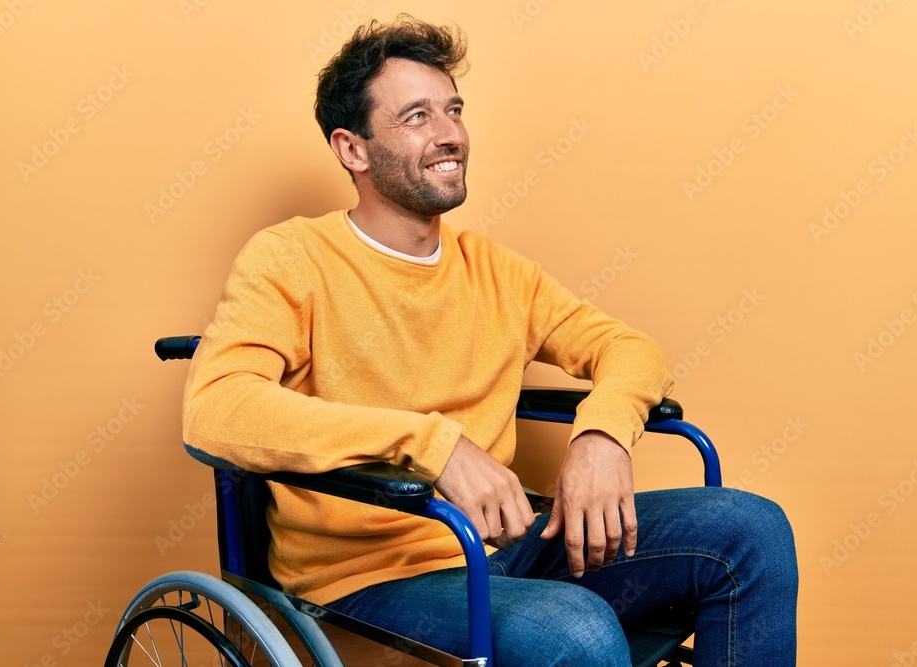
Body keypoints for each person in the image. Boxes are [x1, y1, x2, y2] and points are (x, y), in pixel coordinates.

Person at [183, 16, 798, 666]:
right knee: (576, 630)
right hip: (372, 579)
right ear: (352, 149)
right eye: (417, 116)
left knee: (752, 530)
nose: (450, 133)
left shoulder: (496, 271)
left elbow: (630, 349)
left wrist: (602, 435)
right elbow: (215, 408)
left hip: (511, 545)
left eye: (453, 110)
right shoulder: (291, 258)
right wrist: (431, 443)